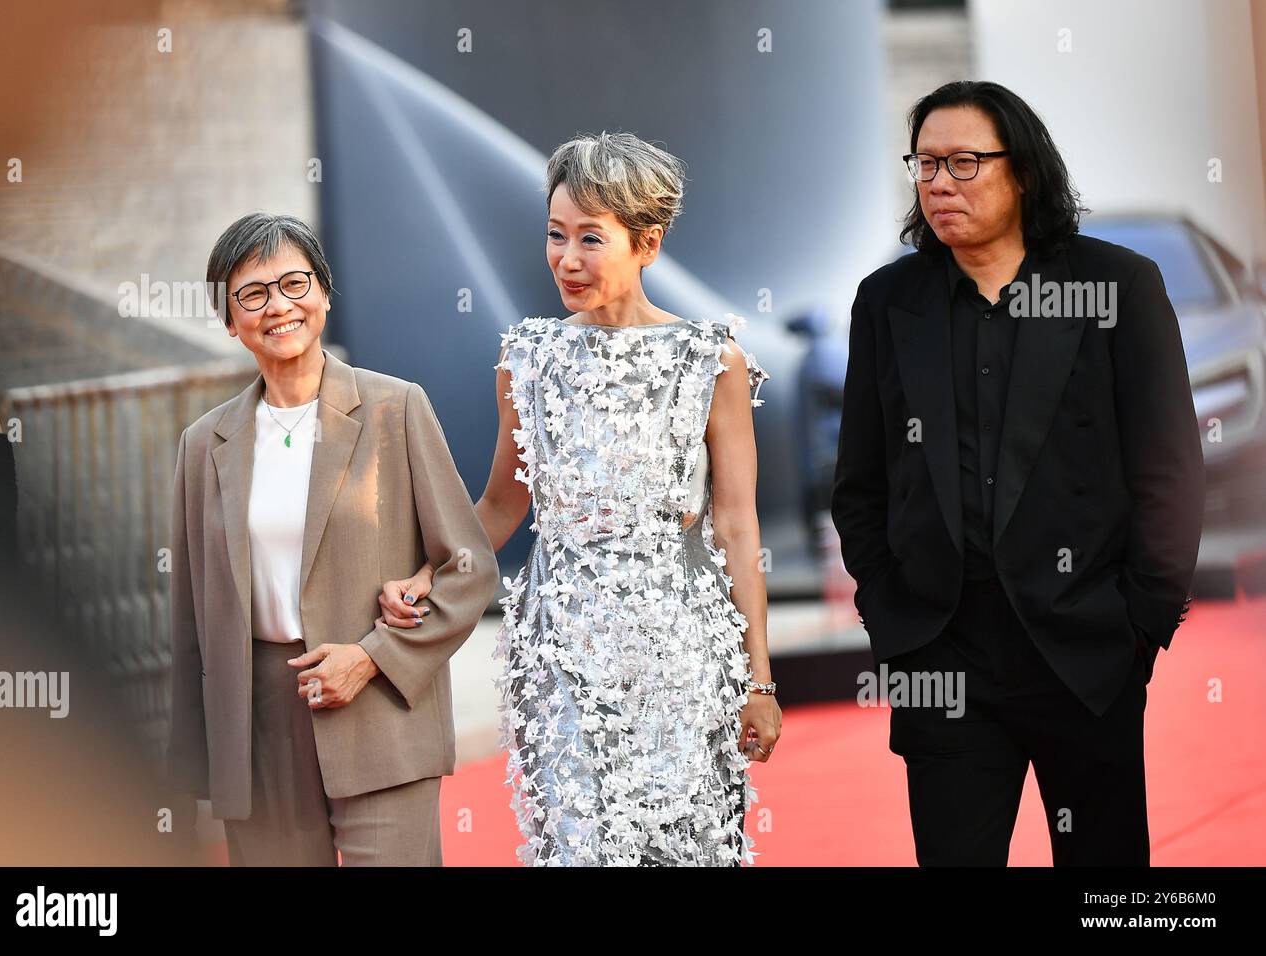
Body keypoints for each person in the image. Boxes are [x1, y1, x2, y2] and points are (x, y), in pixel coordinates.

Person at [832, 80, 1204, 866]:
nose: (939, 183)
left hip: (1085, 647)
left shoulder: (1118, 288)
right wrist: (892, 620)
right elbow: (860, 483)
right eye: (925, 164)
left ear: (1024, 172)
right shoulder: (887, 302)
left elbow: (1168, 470)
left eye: (964, 162)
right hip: (942, 653)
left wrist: (1141, 625)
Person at [386, 131, 778, 865]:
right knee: (578, 849)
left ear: (648, 243)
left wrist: (759, 679)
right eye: (556, 235)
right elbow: (502, 505)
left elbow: (735, 524)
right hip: (560, 647)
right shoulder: (527, 358)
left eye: (591, 239)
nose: (566, 259)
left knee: (686, 849)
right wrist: (429, 570)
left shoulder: (710, 358)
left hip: (684, 651)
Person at [166, 213, 498, 865]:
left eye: (295, 283)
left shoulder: (396, 408)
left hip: (380, 708)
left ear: (323, 293)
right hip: (258, 727)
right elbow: (189, 616)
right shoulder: (204, 444)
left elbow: (468, 566)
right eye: (253, 293)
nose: (278, 306)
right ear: (230, 321)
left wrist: (374, 655)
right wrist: (190, 766)